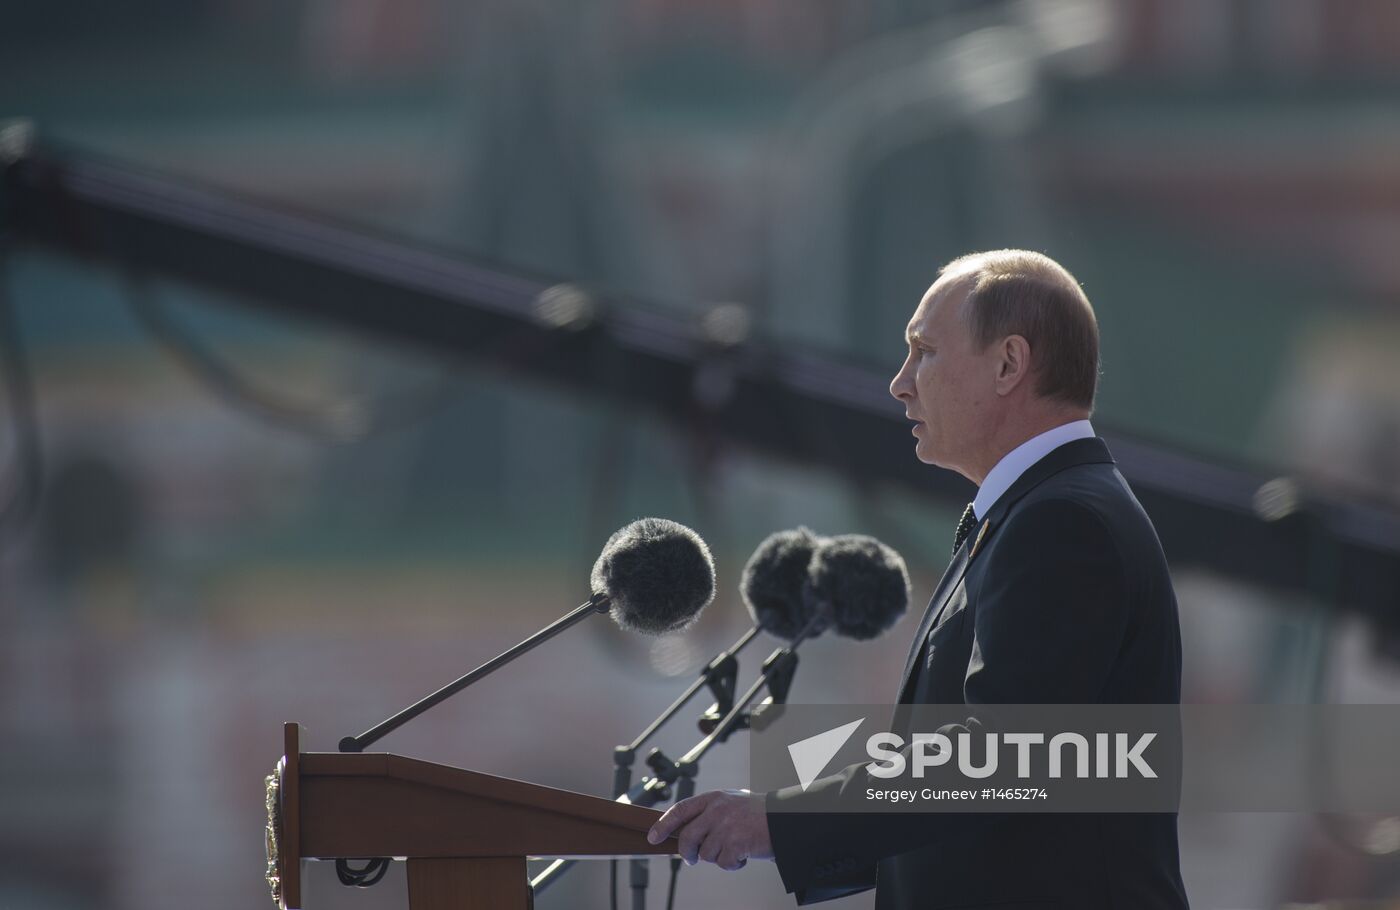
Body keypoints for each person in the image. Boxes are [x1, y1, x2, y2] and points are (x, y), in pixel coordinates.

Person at [647, 249, 1190, 909]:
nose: (900, 383)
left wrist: (780, 819)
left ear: (1009, 364)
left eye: (923, 351)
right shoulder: (1037, 513)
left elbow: (995, 759)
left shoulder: (1064, 523)